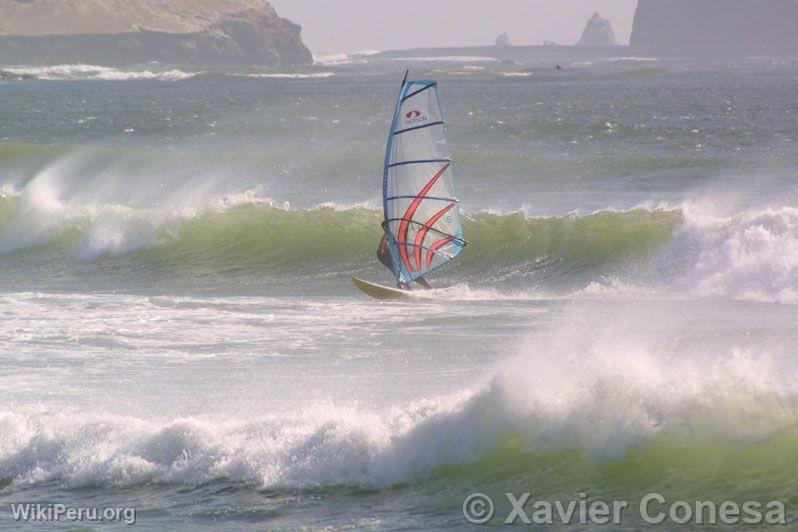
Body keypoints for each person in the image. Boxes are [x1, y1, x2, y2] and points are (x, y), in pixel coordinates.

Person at [378, 220, 432, 290]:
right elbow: (381, 245)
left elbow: (404, 256)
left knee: (421, 279)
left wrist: (413, 254)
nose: (386, 243)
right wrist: (386, 232)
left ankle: (430, 290)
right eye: (386, 242)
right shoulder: (381, 253)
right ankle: (409, 292)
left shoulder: (393, 251)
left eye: (388, 242)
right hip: (398, 270)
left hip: (405, 266)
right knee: (402, 282)